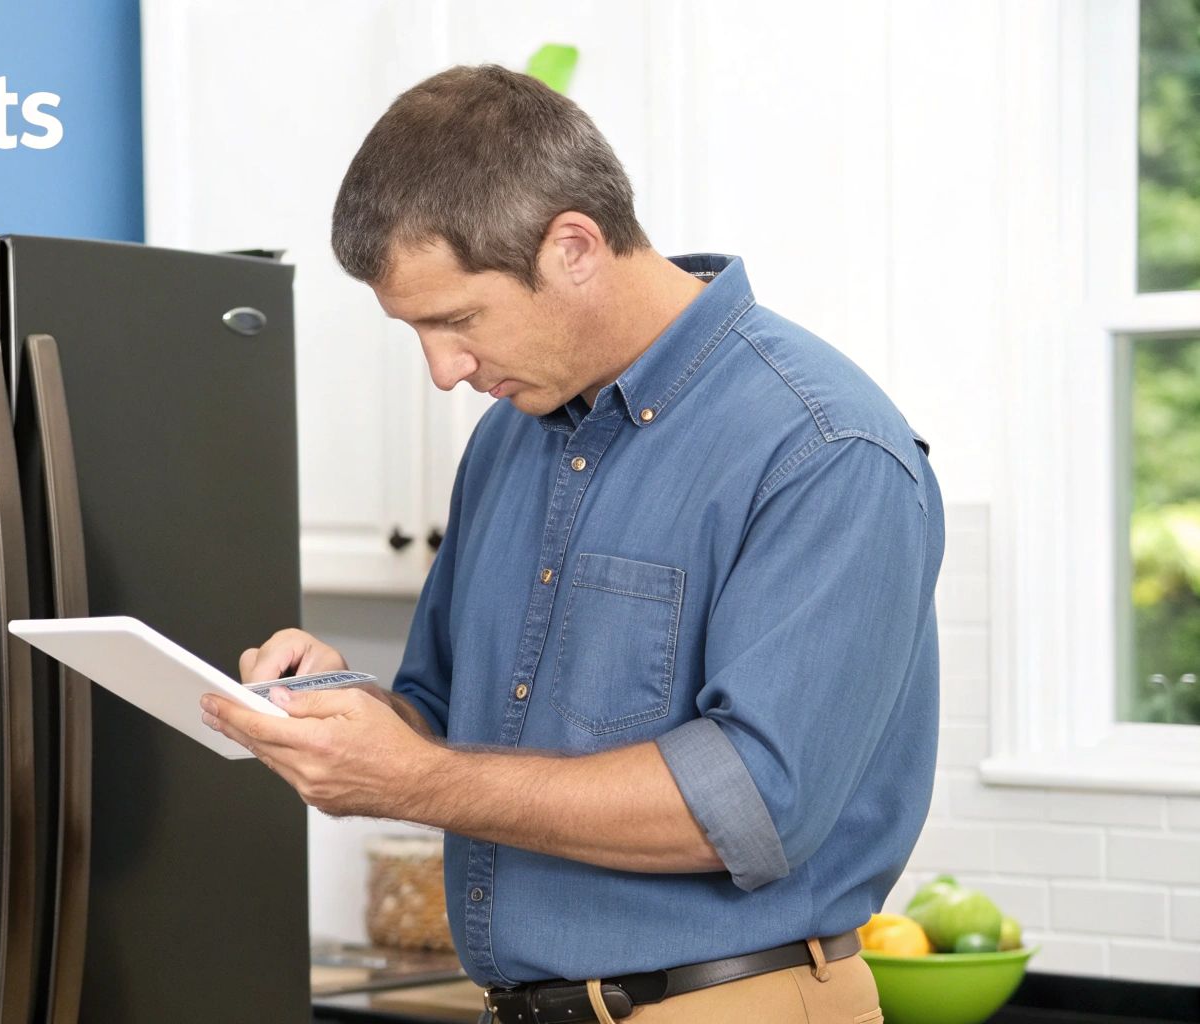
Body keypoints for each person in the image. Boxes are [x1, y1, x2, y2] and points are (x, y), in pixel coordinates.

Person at [200, 64, 943, 1023]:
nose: (442, 370)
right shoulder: (511, 436)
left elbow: (753, 806)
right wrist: (345, 715)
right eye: (415, 331)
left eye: (458, 319)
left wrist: (416, 779)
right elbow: (442, 713)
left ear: (575, 247)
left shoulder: (824, 447)